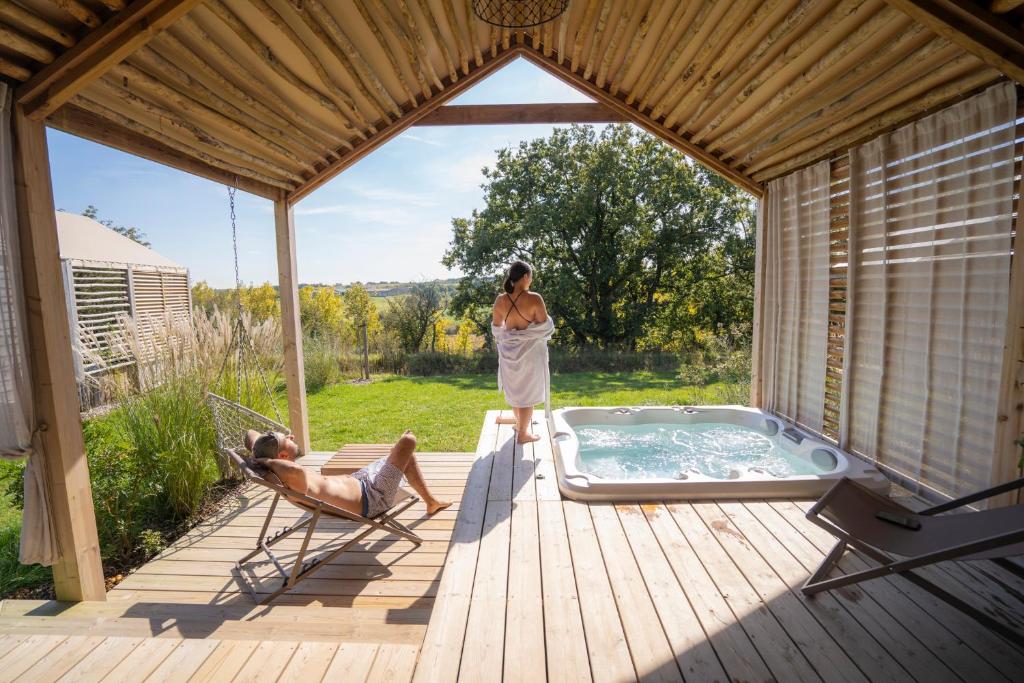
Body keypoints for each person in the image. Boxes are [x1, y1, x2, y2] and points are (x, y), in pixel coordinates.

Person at [243, 429, 452, 517]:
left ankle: (431, 502)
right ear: (282, 456)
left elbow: (250, 434)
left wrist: (259, 454)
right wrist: (266, 460)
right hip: (374, 497)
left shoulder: (282, 471)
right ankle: (431, 502)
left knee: (405, 456)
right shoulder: (294, 476)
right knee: (408, 441)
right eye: (287, 439)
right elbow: (292, 468)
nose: (292, 436)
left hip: (363, 482)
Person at [491, 260, 555, 443]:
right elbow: (545, 327)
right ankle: (523, 434)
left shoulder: (500, 300)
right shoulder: (534, 298)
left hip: (508, 353)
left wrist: (512, 335)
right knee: (527, 394)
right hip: (530, 352)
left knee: (515, 391)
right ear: (526, 276)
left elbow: (496, 329)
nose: (531, 280)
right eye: (531, 277)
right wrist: (527, 334)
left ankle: (520, 425)